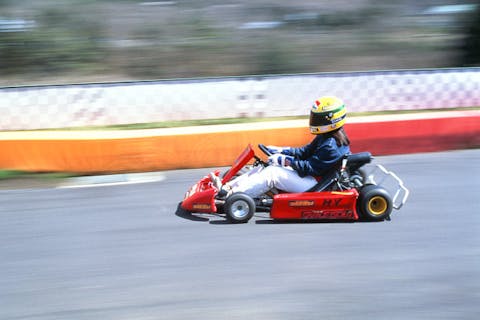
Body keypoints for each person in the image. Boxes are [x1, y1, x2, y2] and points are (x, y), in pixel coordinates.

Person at [220, 96, 351, 199]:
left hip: (314, 183)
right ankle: (227, 187)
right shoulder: (326, 137)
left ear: (331, 120)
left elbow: (310, 168)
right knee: (263, 167)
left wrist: (285, 161)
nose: (314, 120)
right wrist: (281, 150)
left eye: (318, 118)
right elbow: (304, 152)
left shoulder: (330, 146)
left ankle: (232, 196)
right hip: (311, 177)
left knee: (272, 173)